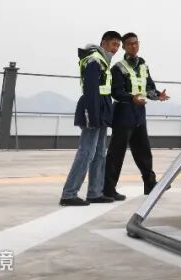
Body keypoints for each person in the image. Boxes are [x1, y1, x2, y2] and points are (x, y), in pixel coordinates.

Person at [103, 32, 169, 199]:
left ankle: (150, 184)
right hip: (123, 113)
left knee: (144, 151)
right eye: (130, 44)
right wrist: (131, 98)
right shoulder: (118, 68)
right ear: (124, 47)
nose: (134, 46)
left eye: (136, 43)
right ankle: (108, 189)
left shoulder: (143, 65)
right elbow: (116, 92)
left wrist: (158, 95)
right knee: (116, 154)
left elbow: (149, 87)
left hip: (139, 114)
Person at [60, 30, 121, 206]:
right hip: (93, 109)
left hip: (102, 110)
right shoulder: (94, 60)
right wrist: (92, 115)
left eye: (118, 45)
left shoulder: (103, 61)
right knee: (86, 152)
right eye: (113, 44)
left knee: (100, 153)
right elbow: (90, 89)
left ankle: (95, 192)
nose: (116, 48)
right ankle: (69, 194)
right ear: (103, 43)